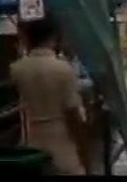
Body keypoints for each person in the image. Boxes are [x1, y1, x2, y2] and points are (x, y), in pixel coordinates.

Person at [10, 18, 89, 175]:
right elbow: (72, 114)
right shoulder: (63, 69)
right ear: (53, 37)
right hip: (63, 147)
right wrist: (84, 151)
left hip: (31, 147)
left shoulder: (16, 69)